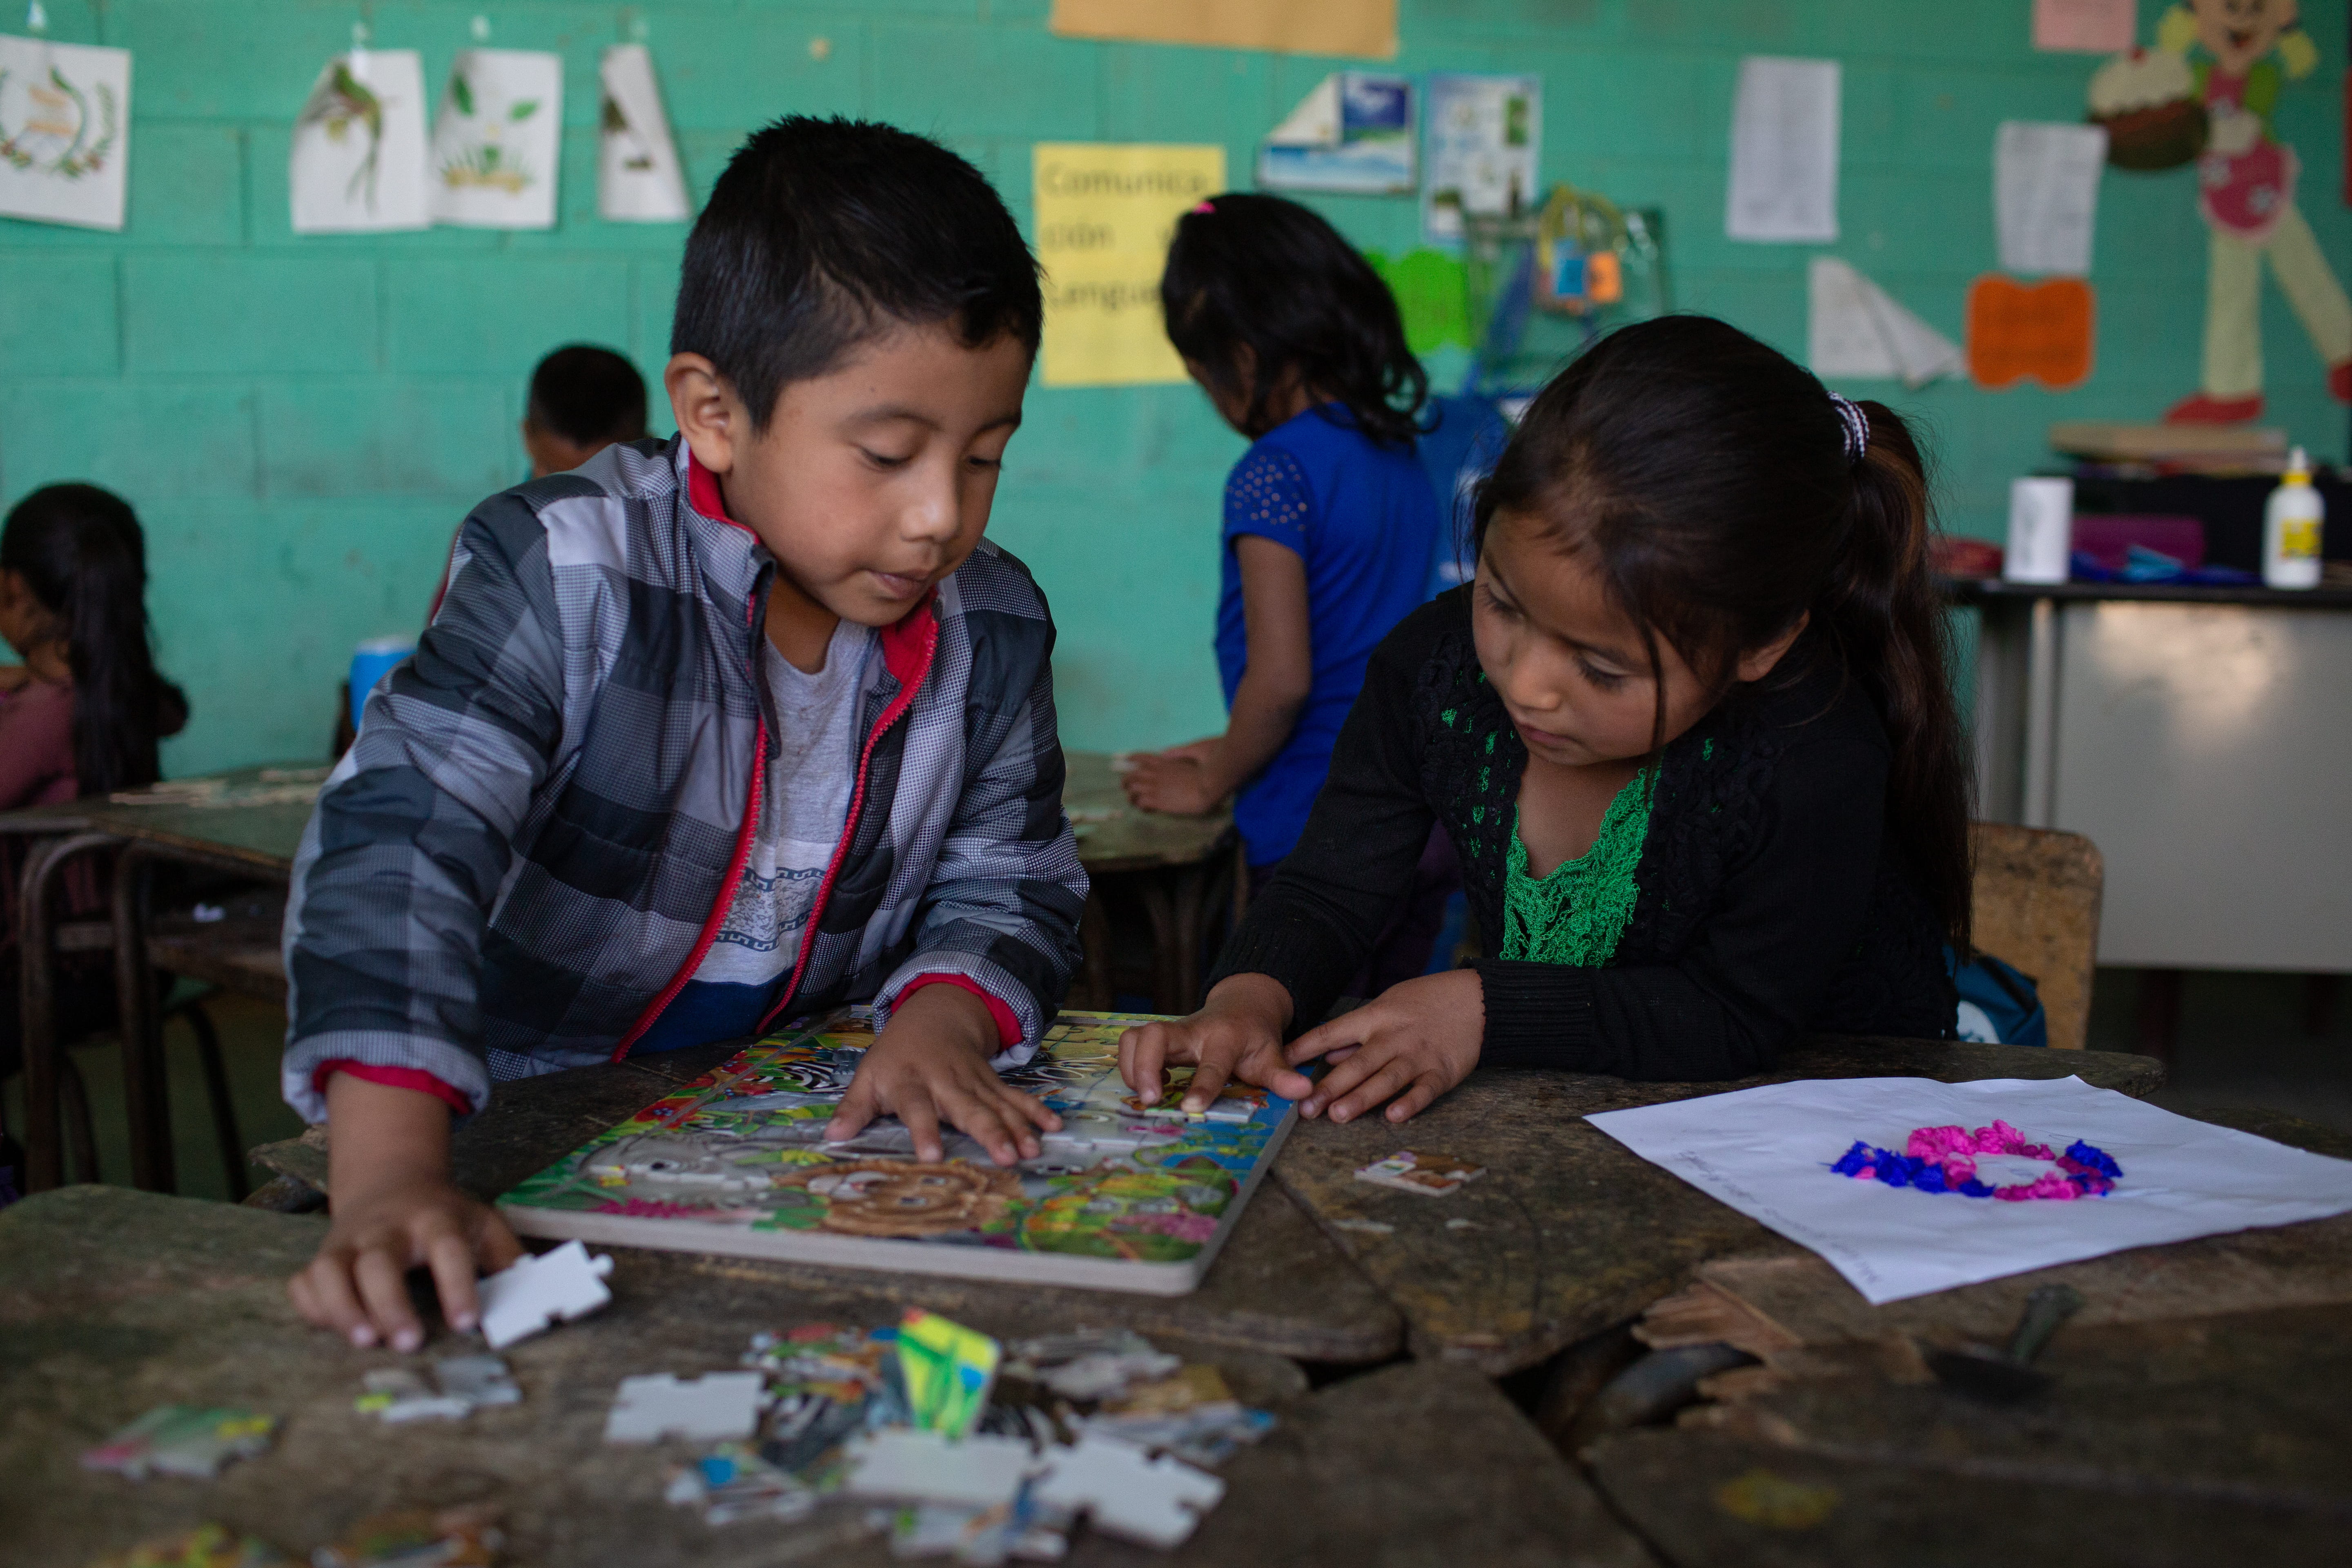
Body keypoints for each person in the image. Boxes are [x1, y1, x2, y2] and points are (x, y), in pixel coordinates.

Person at [282, 117, 1087, 1352]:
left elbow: (1012, 880)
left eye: (984, 457)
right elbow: (402, 846)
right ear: (715, 412)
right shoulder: (565, 569)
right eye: (886, 454)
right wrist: (390, 1176)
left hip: (793, 1155)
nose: (940, 516)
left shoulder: (998, 624)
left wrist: (944, 1017)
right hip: (504, 1144)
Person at [1118, 316, 1967, 1126]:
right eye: (1501, 603)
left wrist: (1485, 1005)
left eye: (1602, 669)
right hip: (1594, 1131)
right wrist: (1247, 998)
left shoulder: (1809, 753)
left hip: (1836, 1131)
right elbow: (1331, 886)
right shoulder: (1434, 672)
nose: (1527, 686)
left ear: (1763, 642)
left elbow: (1735, 1013)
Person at [1120, 193, 1447, 981]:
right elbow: (1360, 655)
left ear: (1241, 354)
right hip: (1421, 823)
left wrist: (1216, 779)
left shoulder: (1273, 473)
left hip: (1314, 837)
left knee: (1285, 1048)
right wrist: (1224, 742)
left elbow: (1284, 682)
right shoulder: (1398, 455)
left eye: (1201, 375)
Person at [0, 484, 189, 1120]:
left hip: (56, 973)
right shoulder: (120, 691)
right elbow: (169, 711)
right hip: (123, 954)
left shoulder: (48, 710)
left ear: (16, 589)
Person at [520, 344, 652, 478]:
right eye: (557, 480)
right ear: (528, 437)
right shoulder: (504, 499)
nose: (574, 497)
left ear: (647, 449)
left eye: (602, 478)